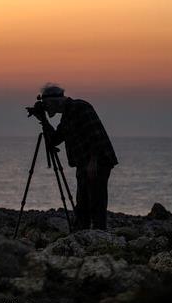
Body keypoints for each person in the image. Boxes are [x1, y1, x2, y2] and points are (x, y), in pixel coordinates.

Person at [38, 83, 118, 231]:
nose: (47, 108)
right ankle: (83, 234)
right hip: (83, 163)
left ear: (53, 102)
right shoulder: (67, 115)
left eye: (46, 105)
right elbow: (55, 139)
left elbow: (95, 135)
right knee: (82, 203)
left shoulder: (80, 107)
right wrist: (44, 120)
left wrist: (93, 162)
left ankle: (99, 235)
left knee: (96, 201)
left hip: (97, 161)